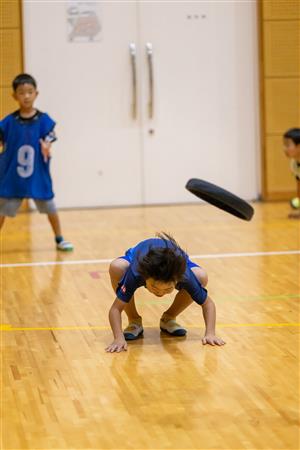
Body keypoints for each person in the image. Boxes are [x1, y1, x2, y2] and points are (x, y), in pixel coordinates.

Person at [106, 232, 225, 353]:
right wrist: (118, 338)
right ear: (144, 278)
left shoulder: (184, 275)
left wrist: (210, 333)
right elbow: (115, 309)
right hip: (139, 258)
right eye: (154, 287)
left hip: (175, 262)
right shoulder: (136, 273)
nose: (160, 293)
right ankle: (134, 320)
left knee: (201, 276)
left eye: (168, 289)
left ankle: (168, 318)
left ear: (178, 280)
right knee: (117, 267)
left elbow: (208, 304)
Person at [0, 73, 73, 250]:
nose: (26, 96)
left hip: (37, 176)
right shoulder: (8, 122)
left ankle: (59, 238)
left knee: (50, 207)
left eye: (30, 92)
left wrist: (47, 143)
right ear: (14, 96)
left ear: (36, 94)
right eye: (22, 92)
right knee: (1, 210)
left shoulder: (43, 120)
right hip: (13, 177)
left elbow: (51, 135)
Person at [283, 128, 300, 219]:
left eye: (287, 145)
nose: (284, 148)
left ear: (299, 147)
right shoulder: (294, 163)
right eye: (284, 145)